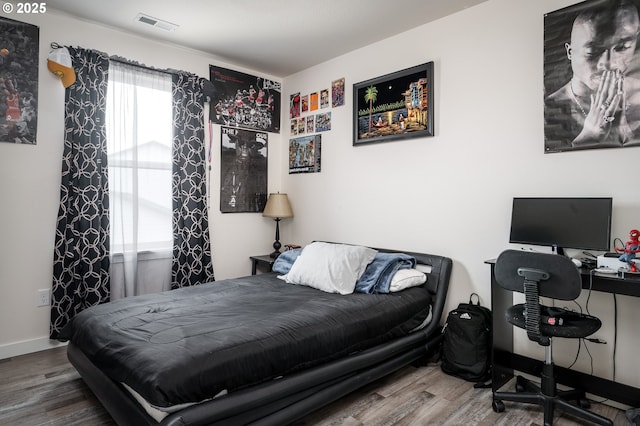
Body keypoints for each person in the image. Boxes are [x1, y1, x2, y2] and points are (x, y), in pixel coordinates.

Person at [545, 0, 640, 151]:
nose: (610, 64)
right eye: (593, 52)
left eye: (623, 47)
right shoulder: (550, 110)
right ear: (570, 52)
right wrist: (587, 137)